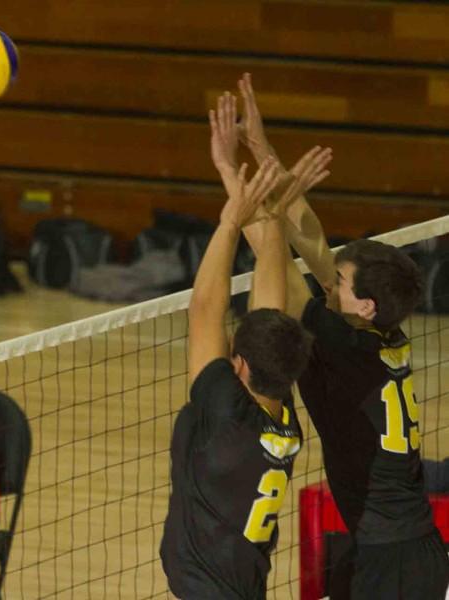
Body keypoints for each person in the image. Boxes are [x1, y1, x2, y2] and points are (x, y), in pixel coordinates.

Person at [237, 72, 449, 599]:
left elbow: (276, 258)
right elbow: (313, 241)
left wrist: (248, 191)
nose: (330, 283)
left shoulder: (341, 344)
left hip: (392, 561)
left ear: (365, 305)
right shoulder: (380, 333)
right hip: (403, 549)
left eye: (341, 283)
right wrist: (263, 147)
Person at [159, 107, 315, 598]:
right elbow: (272, 311)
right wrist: (260, 212)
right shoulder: (282, 418)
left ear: (239, 366)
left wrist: (232, 221)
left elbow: (205, 309)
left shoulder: (226, 415)